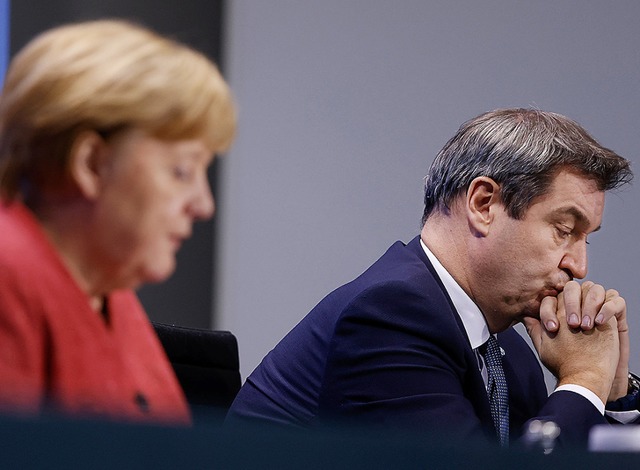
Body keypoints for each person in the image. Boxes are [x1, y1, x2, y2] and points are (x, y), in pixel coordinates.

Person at [226, 108, 636, 448]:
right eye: (565, 230)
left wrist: (612, 393)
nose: (579, 267)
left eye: (586, 240)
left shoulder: (511, 353)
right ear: (483, 204)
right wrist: (584, 380)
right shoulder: (390, 318)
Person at [0, 19, 235, 424]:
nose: (203, 204)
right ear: (92, 164)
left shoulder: (110, 293)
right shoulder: (9, 275)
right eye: (182, 171)